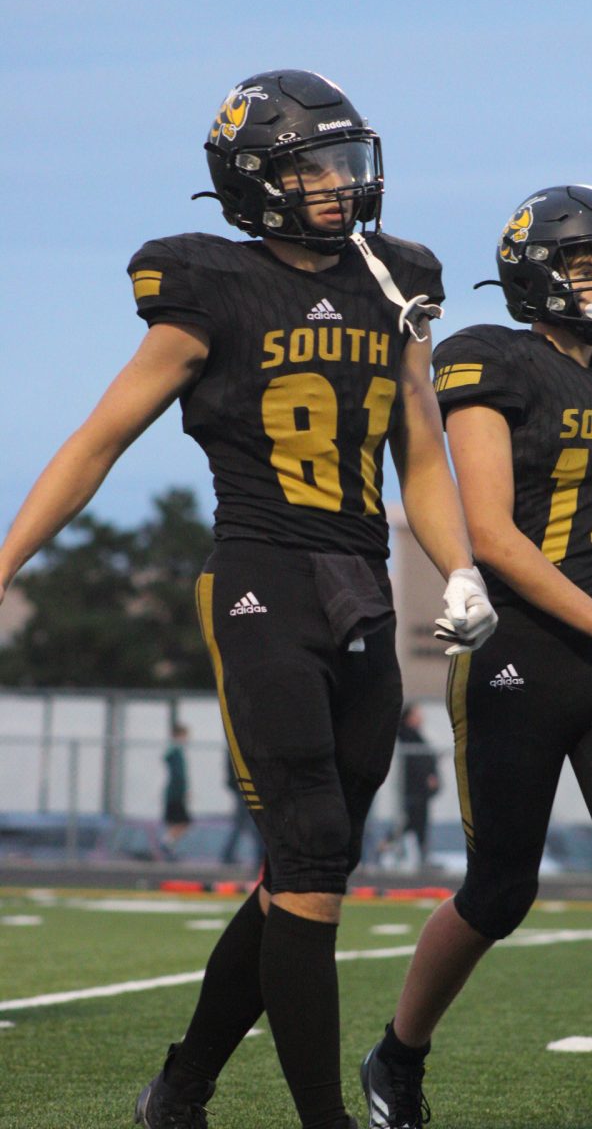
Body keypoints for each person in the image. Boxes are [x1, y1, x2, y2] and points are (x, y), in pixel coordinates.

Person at [0, 69, 498, 1129]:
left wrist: (456, 565)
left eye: (342, 161)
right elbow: (98, 443)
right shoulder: (205, 285)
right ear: (253, 180)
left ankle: (180, 1089)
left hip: (361, 583)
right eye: (309, 166)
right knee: (312, 843)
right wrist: (4, 566)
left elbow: (418, 447)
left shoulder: (391, 276)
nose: (335, 183)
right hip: (263, 575)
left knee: (302, 868)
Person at [361, 185, 592, 1129]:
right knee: (503, 889)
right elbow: (492, 531)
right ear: (535, 271)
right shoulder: (488, 359)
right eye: (588, 263)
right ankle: (397, 1054)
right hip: (520, 645)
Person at [378, 703, 440, 867]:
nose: (420, 718)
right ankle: (385, 845)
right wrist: (427, 776)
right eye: (416, 714)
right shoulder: (407, 735)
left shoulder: (417, 736)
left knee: (417, 823)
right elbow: (417, 762)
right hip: (414, 790)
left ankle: (422, 856)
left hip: (421, 790)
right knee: (411, 821)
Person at [219, 748, 263, 868]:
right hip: (246, 790)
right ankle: (259, 857)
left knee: (242, 825)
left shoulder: (235, 746)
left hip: (243, 790)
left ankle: (229, 855)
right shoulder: (243, 746)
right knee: (250, 825)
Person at [161, 722, 192, 859]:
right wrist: (184, 791)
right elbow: (179, 776)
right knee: (183, 821)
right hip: (176, 794)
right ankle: (166, 844)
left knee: (176, 822)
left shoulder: (174, 753)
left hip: (173, 793)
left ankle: (169, 847)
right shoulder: (176, 753)